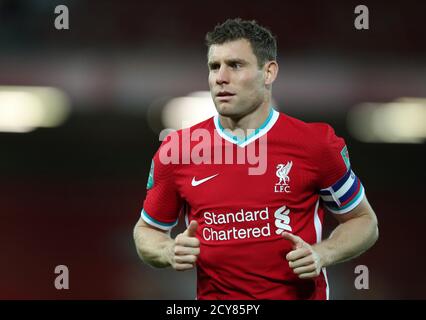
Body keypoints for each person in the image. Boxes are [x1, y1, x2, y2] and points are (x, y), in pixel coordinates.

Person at [133, 18, 379, 300]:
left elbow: (364, 221)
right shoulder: (177, 150)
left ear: (269, 72)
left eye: (235, 65)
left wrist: (323, 253)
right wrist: (166, 250)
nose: (220, 78)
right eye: (214, 67)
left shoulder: (316, 145)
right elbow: (146, 231)